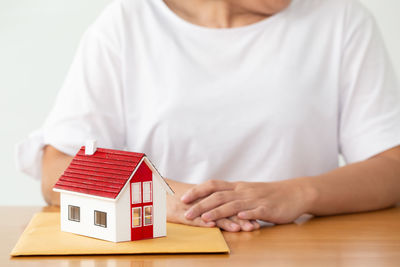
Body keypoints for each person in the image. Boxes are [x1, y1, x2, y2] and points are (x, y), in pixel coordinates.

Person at [16, 0, 400, 232]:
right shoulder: (125, 24)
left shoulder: (341, 18)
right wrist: (178, 202)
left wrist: (296, 194)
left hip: (300, 251)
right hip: (163, 250)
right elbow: (58, 171)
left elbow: (391, 165)